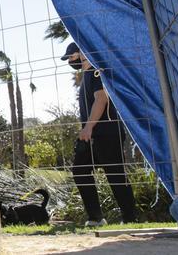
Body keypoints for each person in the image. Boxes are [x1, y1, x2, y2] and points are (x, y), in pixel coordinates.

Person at [62, 41, 138, 226]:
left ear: (81, 53)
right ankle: (96, 217)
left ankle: (130, 218)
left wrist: (88, 127)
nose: (70, 61)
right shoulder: (86, 76)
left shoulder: (97, 71)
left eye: (71, 57)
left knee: (115, 174)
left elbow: (101, 99)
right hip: (91, 135)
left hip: (107, 132)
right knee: (80, 172)